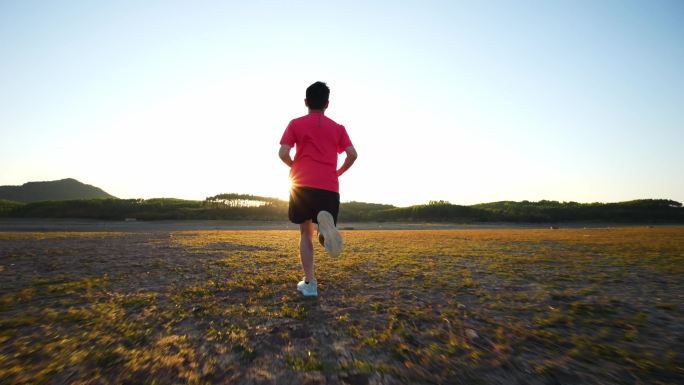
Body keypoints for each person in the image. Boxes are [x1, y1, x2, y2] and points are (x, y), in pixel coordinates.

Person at [278, 81, 357, 297]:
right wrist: (338, 172)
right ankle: (324, 231)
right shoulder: (338, 128)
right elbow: (352, 154)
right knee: (320, 226)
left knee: (305, 232)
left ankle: (310, 284)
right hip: (329, 187)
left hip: (302, 185)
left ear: (306, 102)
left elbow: (283, 153)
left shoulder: (295, 124)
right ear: (327, 104)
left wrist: (294, 165)